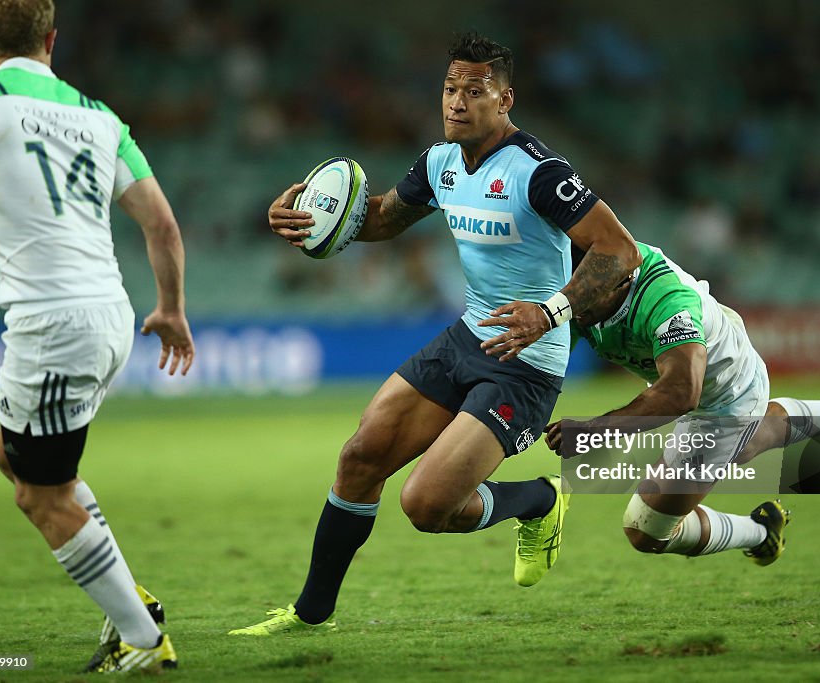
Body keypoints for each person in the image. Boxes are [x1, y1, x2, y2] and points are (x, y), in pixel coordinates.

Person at [230, 31, 641, 636]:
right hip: (466, 338)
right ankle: (308, 614)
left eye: (475, 91)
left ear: (505, 100)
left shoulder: (540, 174)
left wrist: (551, 313)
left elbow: (618, 250)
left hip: (527, 361)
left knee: (426, 507)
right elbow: (378, 218)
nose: (456, 102)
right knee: (360, 457)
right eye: (450, 88)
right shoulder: (440, 163)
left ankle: (539, 501)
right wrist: (310, 219)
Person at [0, 0, 194, 672]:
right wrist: (170, 308)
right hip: (110, 314)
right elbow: (163, 226)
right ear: (52, 40)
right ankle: (129, 598)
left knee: (39, 492)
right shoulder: (101, 116)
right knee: (13, 454)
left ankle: (141, 635)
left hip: (54, 326)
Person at [544, 241, 820, 562]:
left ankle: (761, 532)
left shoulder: (666, 301)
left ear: (622, 283)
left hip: (723, 392)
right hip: (712, 354)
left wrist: (597, 430)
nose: (576, 304)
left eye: (586, 296)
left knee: (645, 528)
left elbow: (681, 391)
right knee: (745, 444)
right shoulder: (586, 283)